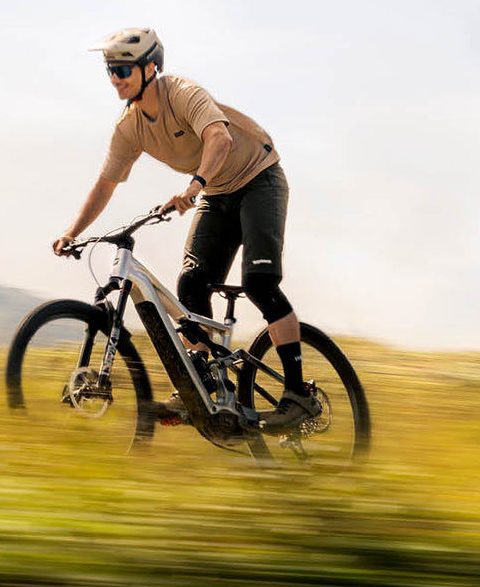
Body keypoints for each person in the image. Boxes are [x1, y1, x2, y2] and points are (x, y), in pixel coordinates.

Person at [51, 27, 316, 431]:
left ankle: (299, 395)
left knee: (260, 283)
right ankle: (203, 382)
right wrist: (72, 232)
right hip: (217, 191)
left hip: (258, 178)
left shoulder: (181, 92)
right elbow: (105, 184)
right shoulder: (130, 127)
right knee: (191, 286)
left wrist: (195, 186)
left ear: (150, 66)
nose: (116, 78)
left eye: (123, 68)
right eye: (110, 71)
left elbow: (219, 137)